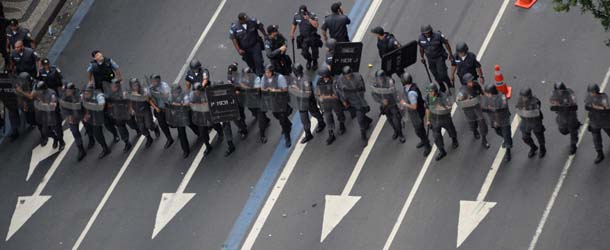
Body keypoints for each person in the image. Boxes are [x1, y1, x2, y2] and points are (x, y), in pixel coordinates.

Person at [335, 65, 373, 146]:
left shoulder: (358, 77)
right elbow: (339, 91)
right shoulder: (340, 80)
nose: (348, 77)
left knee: (360, 118)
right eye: (346, 76)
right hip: (349, 101)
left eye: (349, 75)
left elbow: (362, 89)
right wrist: (343, 101)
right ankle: (367, 121)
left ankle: (363, 137)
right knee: (357, 115)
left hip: (358, 100)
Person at [256, 64, 292, 147]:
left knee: (282, 120)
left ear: (272, 72)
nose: (267, 74)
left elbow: (285, 89)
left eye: (268, 72)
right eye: (266, 72)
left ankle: (287, 137)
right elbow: (262, 88)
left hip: (280, 101)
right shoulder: (264, 78)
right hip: (272, 102)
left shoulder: (279, 78)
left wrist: (274, 90)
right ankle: (288, 123)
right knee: (276, 116)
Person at [289, 63, 325, 143]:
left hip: (309, 102)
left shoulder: (305, 80)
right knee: (304, 119)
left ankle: (321, 122)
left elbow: (308, 94)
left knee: (315, 113)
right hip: (301, 103)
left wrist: (297, 91)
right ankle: (308, 134)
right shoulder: (296, 78)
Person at [399, 72, 431, 156]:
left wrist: (404, 104)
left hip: (416, 113)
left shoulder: (411, 93)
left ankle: (427, 145)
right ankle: (424, 140)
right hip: (416, 111)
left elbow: (414, 106)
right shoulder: (410, 87)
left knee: (419, 130)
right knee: (419, 129)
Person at [425, 83, 458, 161]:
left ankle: (454, 140)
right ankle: (442, 150)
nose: (430, 93)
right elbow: (427, 108)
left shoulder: (443, 96)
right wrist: (428, 120)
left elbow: (449, 106)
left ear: (436, 90)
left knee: (451, 130)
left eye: (431, 91)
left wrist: (441, 106)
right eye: (429, 92)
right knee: (436, 136)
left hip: (444, 118)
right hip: (434, 119)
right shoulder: (428, 97)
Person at [456, 73, 489, 148]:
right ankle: (474, 130)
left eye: (471, 80)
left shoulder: (476, 85)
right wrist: (466, 99)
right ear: (466, 82)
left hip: (477, 106)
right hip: (468, 109)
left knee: (482, 121)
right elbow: (459, 100)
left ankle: (484, 139)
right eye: (469, 81)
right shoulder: (462, 91)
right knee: (472, 123)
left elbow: (481, 92)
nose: (471, 82)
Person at [371, 69, 404, 143]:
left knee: (396, 119)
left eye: (381, 78)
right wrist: (381, 101)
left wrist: (394, 101)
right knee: (389, 119)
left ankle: (400, 134)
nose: (380, 80)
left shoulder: (389, 82)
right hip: (384, 105)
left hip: (392, 103)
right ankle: (395, 131)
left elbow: (394, 92)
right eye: (378, 78)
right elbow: (374, 94)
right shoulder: (375, 84)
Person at [482, 82, 512, 162]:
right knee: (498, 132)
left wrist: (491, 109)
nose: (486, 94)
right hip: (493, 119)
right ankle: (506, 140)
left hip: (503, 119)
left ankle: (508, 150)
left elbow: (500, 109)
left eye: (487, 93)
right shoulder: (487, 98)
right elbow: (485, 107)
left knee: (506, 134)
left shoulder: (501, 97)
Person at [418, 25, 453, 93]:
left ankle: (449, 85)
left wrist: (450, 54)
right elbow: (421, 48)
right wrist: (422, 57)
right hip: (430, 59)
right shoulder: (421, 39)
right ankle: (442, 87)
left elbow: (446, 43)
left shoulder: (438, 35)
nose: (427, 34)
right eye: (425, 33)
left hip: (439, 57)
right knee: (435, 75)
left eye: (428, 32)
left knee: (442, 74)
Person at [549, 81, 580, 154]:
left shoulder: (569, 92)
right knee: (563, 130)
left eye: (561, 91)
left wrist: (562, 105)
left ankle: (573, 145)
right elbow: (552, 102)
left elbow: (573, 104)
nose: (560, 92)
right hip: (561, 114)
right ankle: (575, 126)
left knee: (572, 129)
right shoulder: (553, 93)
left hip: (570, 114)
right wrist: (556, 105)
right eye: (558, 91)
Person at [32, 81, 65, 149]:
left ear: (44, 89)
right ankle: (55, 138)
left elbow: (53, 106)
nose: (38, 92)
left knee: (58, 131)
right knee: (45, 131)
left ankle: (61, 142)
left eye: (39, 90)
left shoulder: (52, 94)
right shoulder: (39, 93)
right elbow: (33, 96)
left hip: (54, 115)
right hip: (45, 116)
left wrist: (43, 104)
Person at [59, 82, 87, 161]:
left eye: (68, 91)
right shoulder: (64, 97)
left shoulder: (79, 94)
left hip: (81, 113)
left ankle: (91, 137)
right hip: (72, 115)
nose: (67, 92)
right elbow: (63, 107)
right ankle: (81, 149)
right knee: (74, 131)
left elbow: (82, 104)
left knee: (88, 125)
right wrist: (69, 116)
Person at [81, 84, 111, 159]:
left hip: (102, 114)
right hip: (93, 117)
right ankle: (105, 148)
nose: (86, 94)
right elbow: (84, 104)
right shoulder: (83, 96)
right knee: (97, 134)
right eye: (85, 93)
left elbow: (101, 106)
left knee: (110, 126)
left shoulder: (99, 96)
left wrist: (91, 105)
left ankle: (115, 134)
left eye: (87, 93)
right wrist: (86, 114)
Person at [316, 67, 344, 145]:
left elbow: (336, 94)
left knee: (339, 113)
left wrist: (324, 97)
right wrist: (319, 99)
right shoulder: (320, 81)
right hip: (326, 103)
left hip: (334, 101)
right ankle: (331, 134)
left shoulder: (334, 81)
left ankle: (342, 124)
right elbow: (318, 92)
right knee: (328, 117)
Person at [516, 87, 546, 158]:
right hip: (525, 121)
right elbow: (517, 107)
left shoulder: (535, 101)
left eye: (524, 97)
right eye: (522, 96)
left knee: (539, 136)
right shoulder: (520, 100)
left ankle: (542, 148)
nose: (523, 98)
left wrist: (526, 109)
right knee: (525, 137)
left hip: (535, 122)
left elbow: (535, 112)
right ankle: (533, 147)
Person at [127, 78, 158, 148]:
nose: (136, 87)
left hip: (145, 110)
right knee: (141, 128)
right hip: (138, 113)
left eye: (136, 85)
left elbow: (148, 99)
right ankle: (149, 138)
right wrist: (131, 109)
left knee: (149, 125)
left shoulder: (143, 91)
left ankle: (155, 127)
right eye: (134, 86)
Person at [104, 79, 133, 152]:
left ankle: (138, 129)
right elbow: (108, 103)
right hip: (118, 115)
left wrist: (130, 109)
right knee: (121, 129)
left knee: (132, 125)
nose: (113, 88)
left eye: (115, 86)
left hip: (126, 113)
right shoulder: (110, 95)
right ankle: (127, 143)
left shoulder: (124, 93)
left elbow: (130, 101)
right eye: (112, 86)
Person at [584, 83, 610, 164]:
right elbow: (587, 106)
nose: (591, 94)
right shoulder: (588, 97)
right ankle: (600, 154)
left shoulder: (603, 97)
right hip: (594, 121)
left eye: (593, 92)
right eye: (590, 92)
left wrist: (596, 107)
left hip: (605, 121)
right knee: (596, 139)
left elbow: (607, 108)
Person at [290, 5, 322, 70]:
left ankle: (315, 62)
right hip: (304, 38)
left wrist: (309, 19)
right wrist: (292, 33)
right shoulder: (296, 16)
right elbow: (294, 24)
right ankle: (309, 60)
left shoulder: (312, 15)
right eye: (301, 13)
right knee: (304, 52)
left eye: (303, 13)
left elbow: (316, 25)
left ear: (306, 11)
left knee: (315, 51)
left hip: (313, 36)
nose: (302, 14)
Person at [148, 74, 174, 148]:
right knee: (162, 124)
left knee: (172, 124)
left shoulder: (164, 86)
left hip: (167, 108)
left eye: (155, 81)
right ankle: (169, 138)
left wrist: (157, 93)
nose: (153, 83)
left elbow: (167, 96)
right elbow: (149, 98)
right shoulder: (150, 88)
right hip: (159, 109)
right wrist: (155, 107)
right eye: (152, 81)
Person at [167, 84, 192, 158]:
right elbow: (169, 103)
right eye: (173, 92)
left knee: (192, 125)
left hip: (186, 114)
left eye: (176, 91)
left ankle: (199, 134)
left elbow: (187, 104)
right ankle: (185, 150)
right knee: (182, 134)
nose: (175, 93)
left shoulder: (184, 95)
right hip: (178, 117)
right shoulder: (171, 96)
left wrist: (178, 104)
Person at [189, 82, 215, 155]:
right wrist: (200, 106)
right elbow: (191, 104)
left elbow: (208, 104)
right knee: (202, 132)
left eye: (197, 91)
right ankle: (207, 145)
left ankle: (219, 131)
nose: (196, 92)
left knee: (215, 124)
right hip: (199, 115)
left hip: (208, 113)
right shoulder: (192, 95)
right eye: (194, 91)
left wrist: (198, 105)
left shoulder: (206, 93)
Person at [227, 62, 251, 138]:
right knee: (239, 112)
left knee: (245, 109)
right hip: (235, 96)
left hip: (242, 94)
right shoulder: (230, 77)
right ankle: (243, 126)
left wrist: (240, 91)